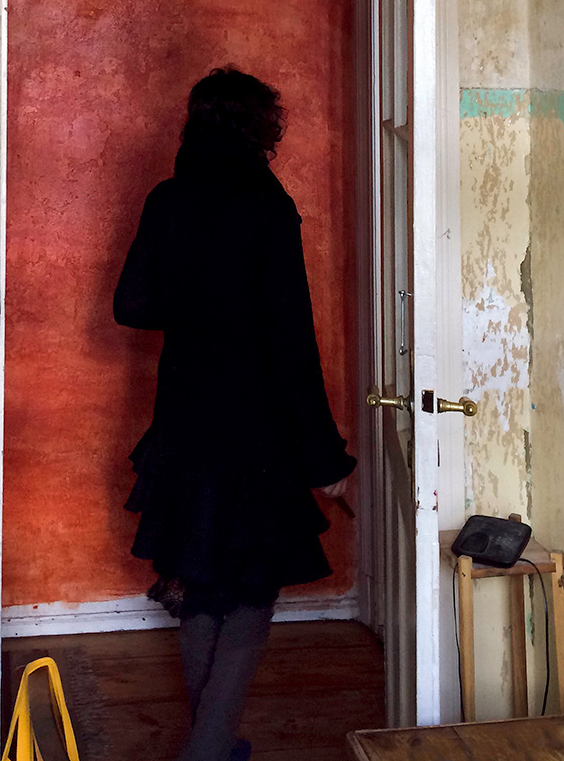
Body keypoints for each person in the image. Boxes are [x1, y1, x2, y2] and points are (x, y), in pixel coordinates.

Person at [113, 66, 356, 761]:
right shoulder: (266, 204)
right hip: (257, 429)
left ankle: (212, 745)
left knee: (199, 582)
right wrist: (325, 460)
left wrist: (195, 305)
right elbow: (291, 338)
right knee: (251, 591)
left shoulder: (167, 199)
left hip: (184, 418)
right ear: (260, 129)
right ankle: (208, 750)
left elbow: (130, 305)